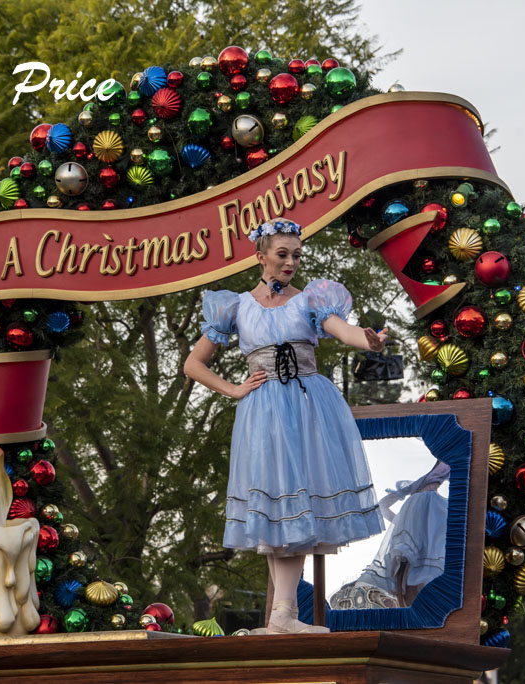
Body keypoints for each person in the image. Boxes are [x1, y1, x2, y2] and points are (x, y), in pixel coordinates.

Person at [183, 218, 387, 634]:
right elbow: (192, 364)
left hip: (308, 408)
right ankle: (283, 617)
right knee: (278, 509)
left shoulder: (310, 299)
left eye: (297, 255)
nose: (291, 261)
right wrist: (235, 389)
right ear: (260, 257)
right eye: (282, 254)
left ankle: (282, 616)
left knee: (296, 509)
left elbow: (340, 329)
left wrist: (366, 340)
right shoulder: (236, 306)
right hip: (263, 413)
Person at [329, 459, 450, 610]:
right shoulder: (427, 499)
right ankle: (410, 610)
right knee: (408, 570)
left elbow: (383, 506)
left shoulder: (427, 500)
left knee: (408, 571)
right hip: (418, 527)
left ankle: (410, 610)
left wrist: (399, 522)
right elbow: (383, 505)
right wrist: (400, 523)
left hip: (418, 528)